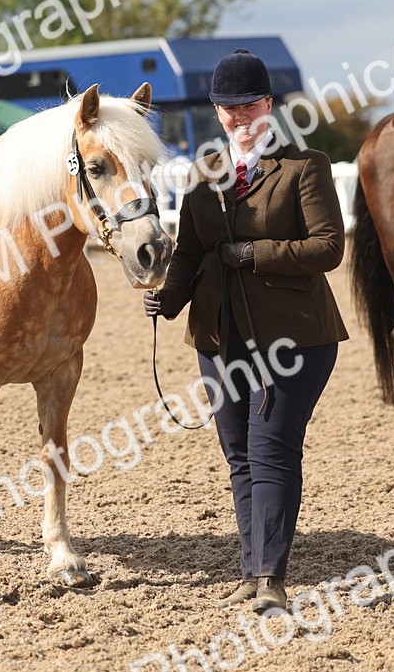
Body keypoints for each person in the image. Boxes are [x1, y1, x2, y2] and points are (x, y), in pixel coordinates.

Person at [144, 48, 348, 613]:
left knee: (271, 448)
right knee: (239, 454)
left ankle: (272, 578)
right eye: (228, 107)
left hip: (295, 337)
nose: (239, 116)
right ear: (216, 110)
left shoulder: (304, 166)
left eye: (248, 105)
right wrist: (169, 296)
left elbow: (328, 247)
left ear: (269, 105)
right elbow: (187, 253)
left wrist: (253, 252)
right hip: (220, 337)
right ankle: (250, 571)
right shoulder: (204, 173)